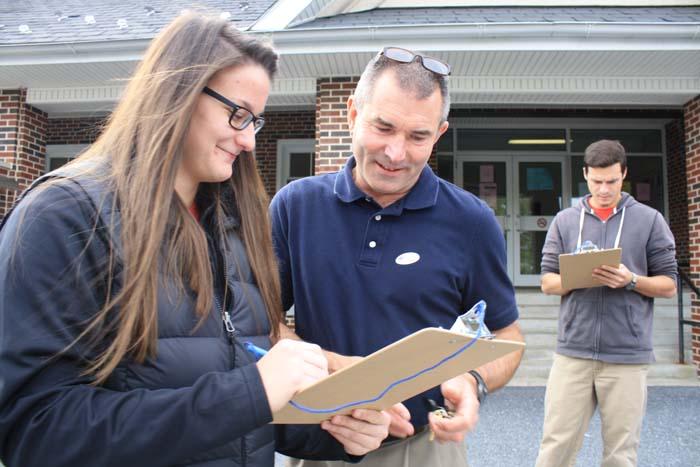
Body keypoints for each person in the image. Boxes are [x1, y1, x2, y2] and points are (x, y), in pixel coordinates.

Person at [0, 13, 391, 467]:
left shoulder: (232, 228)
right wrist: (250, 392)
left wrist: (337, 431)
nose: (248, 141)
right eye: (238, 114)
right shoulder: (64, 216)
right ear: (178, 93)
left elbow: (244, 413)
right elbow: (35, 430)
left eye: (256, 121)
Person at [270, 47, 524, 467]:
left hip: (422, 448)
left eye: (417, 136)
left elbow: (508, 337)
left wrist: (472, 379)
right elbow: (261, 322)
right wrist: (338, 371)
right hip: (318, 440)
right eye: (383, 127)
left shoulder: (472, 221)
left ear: (439, 134)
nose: (395, 152)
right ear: (352, 113)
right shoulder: (295, 206)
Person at [535, 139, 677, 467]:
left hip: (627, 354)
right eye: (596, 181)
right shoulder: (565, 221)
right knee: (555, 448)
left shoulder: (650, 220)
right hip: (573, 352)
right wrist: (579, 275)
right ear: (585, 174)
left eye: (612, 181)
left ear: (623, 174)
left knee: (620, 455)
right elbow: (547, 282)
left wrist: (631, 280)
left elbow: (669, 284)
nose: (603, 189)